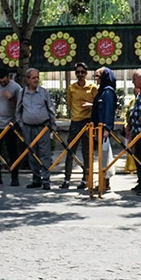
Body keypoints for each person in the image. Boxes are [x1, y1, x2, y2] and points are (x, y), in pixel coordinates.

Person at [16, 68, 57, 190]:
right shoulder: (22, 93)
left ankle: (46, 180)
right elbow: (18, 111)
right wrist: (22, 125)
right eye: (33, 78)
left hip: (43, 127)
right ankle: (36, 178)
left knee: (44, 154)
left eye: (37, 77)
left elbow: (51, 109)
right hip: (28, 128)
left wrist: (52, 126)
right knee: (32, 154)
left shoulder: (44, 93)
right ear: (27, 80)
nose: (36, 80)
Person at [62, 62, 97, 190]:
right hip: (75, 121)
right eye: (77, 72)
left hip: (88, 122)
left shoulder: (92, 87)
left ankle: (85, 179)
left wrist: (89, 106)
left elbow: (97, 105)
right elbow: (70, 104)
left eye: (82, 72)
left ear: (86, 73)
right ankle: (66, 179)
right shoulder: (72, 88)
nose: (80, 74)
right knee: (70, 151)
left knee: (87, 152)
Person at [90, 67, 118, 192]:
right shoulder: (101, 91)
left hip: (103, 129)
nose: (96, 79)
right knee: (102, 155)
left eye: (98, 76)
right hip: (98, 128)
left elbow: (108, 111)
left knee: (105, 155)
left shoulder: (108, 92)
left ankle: (104, 182)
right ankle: (102, 181)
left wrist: (107, 128)